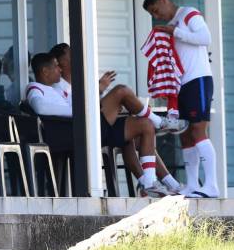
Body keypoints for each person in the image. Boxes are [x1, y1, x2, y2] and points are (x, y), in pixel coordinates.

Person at [26, 51, 172, 197]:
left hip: (91, 126)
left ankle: (149, 183)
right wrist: (81, 111)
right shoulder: (34, 88)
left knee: (145, 125)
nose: (60, 69)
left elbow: (75, 105)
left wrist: (93, 104)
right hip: (83, 131)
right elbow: (41, 107)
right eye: (56, 66)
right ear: (45, 71)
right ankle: (160, 121)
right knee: (121, 91)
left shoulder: (54, 90)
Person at [143, 0, 218, 198]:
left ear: (164, 0)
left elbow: (205, 38)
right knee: (184, 135)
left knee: (198, 130)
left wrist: (175, 32)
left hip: (199, 79)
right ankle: (192, 185)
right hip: (180, 84)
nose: (157, 16)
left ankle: (212, 185)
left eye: (156, 10)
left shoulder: (189, 13)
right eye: (153, 14)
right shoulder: (169, 25)